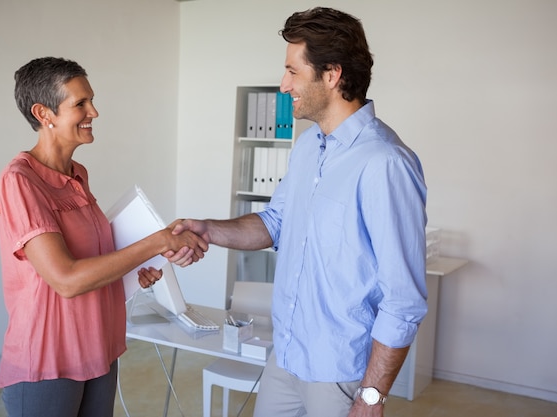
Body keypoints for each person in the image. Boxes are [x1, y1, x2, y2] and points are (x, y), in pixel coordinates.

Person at [172, 7, 428, 417]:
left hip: (340, 371)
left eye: (293, 71)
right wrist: (207, 229)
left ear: (332, 74)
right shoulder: (310, 145)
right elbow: (275, 223)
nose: (283, 83)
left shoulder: (385, 162)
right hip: (287, 356)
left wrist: (372, 396)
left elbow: (403, 300)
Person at [0, 57, 207, 417]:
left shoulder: (78, 174)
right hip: (50, 358)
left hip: (99, 349)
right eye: (80, 103)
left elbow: (90, 261)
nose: (94, 111)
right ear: (44, 114)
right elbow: (66, 280)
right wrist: (156, 243)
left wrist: (136, 268)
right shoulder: (20, 181)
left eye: (91, 100)